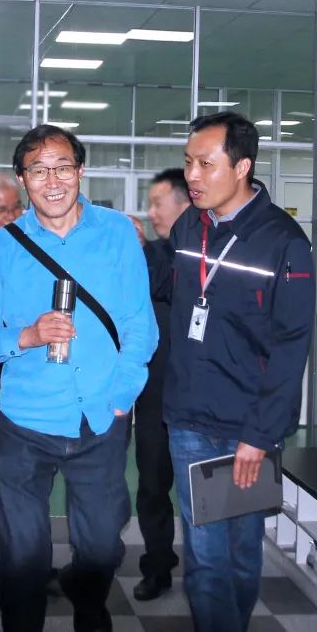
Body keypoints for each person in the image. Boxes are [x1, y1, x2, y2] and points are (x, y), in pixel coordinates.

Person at [0, 124, 157, 632]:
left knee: (102, 545)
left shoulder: (117, 234)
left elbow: (140, 325)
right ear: (22, 180)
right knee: (23, 555)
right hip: (25, 424)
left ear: (80, 172)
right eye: (38, 169)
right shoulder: (1, 247)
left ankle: (89, 596)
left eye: (63, 166)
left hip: (99, 419)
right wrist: (25, 335)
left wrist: (121, 397)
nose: (52, 180)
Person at [161, 112, 314, 632]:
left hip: (249, 426)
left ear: (243, 166)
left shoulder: (283, 241)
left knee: (243, 554)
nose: (193, 175)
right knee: (205, 558)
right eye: (189, 162)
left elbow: (291, 347)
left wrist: (261, 434)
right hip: (189, 418)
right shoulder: (188, 228)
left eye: (206, 164)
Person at [131, 168, 190, 602]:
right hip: (154, 393)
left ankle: (210, 568)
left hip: (198, 395)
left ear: (184, 205)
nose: (151, 213)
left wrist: (143, 251)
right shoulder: (149, 252)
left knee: (200, 485)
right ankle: (158, 563)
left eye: (158, 203)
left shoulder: (204, 255)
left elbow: (168, 282)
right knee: (152, 483)